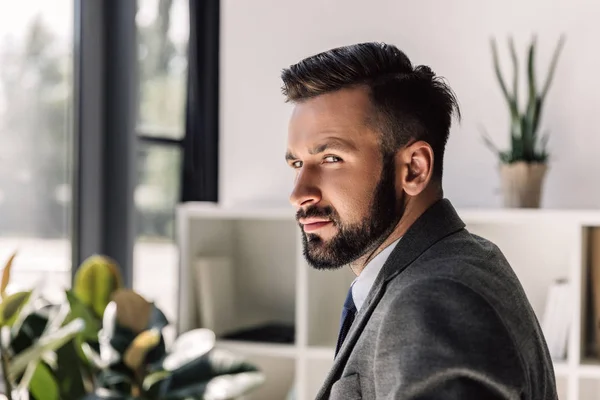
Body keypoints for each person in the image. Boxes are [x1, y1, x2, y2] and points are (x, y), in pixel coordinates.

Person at [281, 42, 557, 400]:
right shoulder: (458, 262)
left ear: (414, 168)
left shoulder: (434, 301)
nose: (299, 193)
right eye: (297, 164)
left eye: (331, 158)